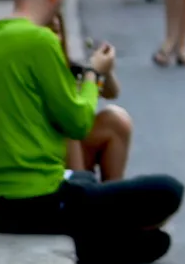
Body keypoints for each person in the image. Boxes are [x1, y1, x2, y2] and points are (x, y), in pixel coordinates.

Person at [0, 0, 184, 264]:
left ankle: (99, 234)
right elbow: (78, 124)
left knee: (154, 242)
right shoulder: (38, 41)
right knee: (168, 191)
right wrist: (93, 72)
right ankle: (101, 232)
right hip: (35, 201)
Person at [52, 15, 134, 182]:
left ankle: (112, 195)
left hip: (71, 144)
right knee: (70, 123)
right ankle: (80, 190)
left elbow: (112, 92)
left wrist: (105, 70)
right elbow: (71, 118)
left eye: (58, 31)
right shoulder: (35, 65)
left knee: (116, 120)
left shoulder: (68, 66)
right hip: (45, 151)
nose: (56, 38)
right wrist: (92, 72)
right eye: (50, 32)